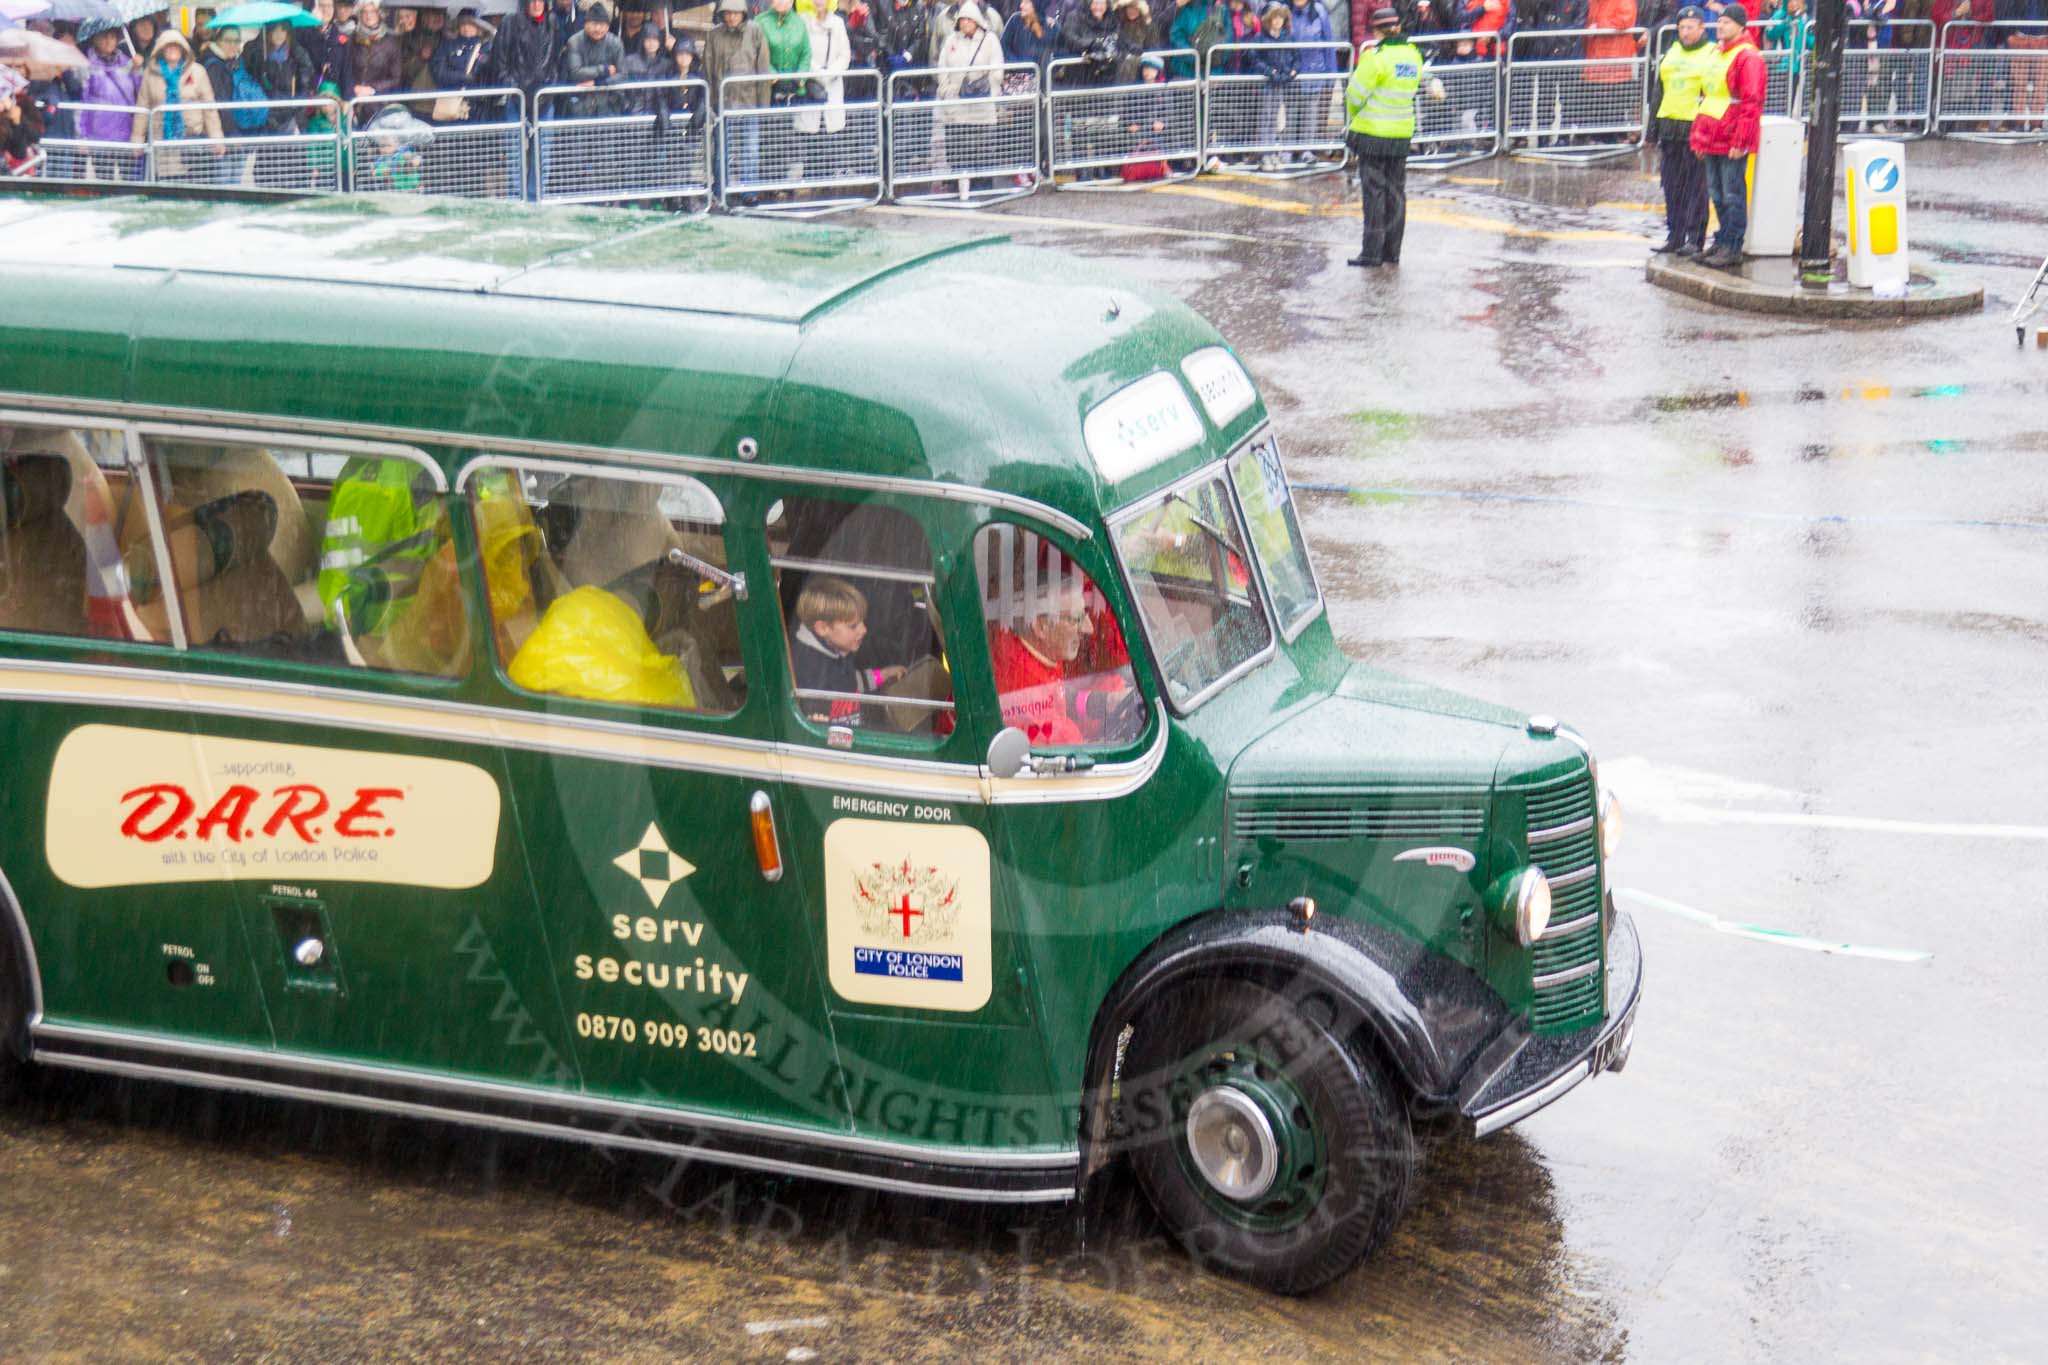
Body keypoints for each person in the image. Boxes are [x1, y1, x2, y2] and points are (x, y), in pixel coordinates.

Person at [985, 545, 1139, 749]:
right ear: (1040, 626)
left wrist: (1105, 701)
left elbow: (1058, 692)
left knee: (1114, 684)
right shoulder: (1031, 706)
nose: (1089, 629)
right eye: (1076, 619)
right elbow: (1077, 753)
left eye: (1084, 614)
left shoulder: (1021, 644)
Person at [1344, 6, 1427, 268]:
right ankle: (1392, 251)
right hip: (1401, 133)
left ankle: (1371, 252)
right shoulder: (1413, 55)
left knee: (1374, 195)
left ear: (1377, 31)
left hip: (1373, 133)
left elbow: (1354, 95)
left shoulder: (1375, 57)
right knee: (1396, 193)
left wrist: (1356, 114)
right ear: (1398, 28)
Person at [1689, 2, 1763, 268]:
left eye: (1727, 22)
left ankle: (1733, 245)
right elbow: (1707, 97)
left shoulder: (1748, 57)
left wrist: (1741, 140)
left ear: (1741, 26)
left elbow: (1751, 102)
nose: (1720, 26)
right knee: (1718, 194)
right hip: (1713, 134)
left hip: (1730, 136)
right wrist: (1699, 137)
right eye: (1719, 21)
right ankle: (1722, 241)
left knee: (1732, 194)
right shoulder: (1719, 53)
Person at [788, 576, 908, 726]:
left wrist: (882, 675)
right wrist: (817, 722)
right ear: (823, 628)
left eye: (862, 622)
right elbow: (808, 722)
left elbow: (848, 680)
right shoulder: (808, 670)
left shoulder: (836, 648)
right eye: (853, 626)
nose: (864, 630)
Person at [1651, 4, 1713, 256]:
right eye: (1681, 28)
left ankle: (1695, 238)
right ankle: (1674, 235)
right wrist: (1651, 130)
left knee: (1696, 188)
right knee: (1672, 185)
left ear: (1701, 27)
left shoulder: (1710, 53)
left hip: (1694, 128)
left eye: (1690, 27)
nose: (1685, 32)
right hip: (1669, 127)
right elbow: (1659, 90)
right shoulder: (1672, 51)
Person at [132, 30, 226, 183]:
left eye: (176, 46)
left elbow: (209, 109)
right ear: (161, 49)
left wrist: (217, 138)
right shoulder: (150, 74)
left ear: (183, 49)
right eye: (168, 46)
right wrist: (137, 140)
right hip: (161, 144)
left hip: (192, 144)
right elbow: (142, 109)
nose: (172, 50)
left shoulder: (198, 72)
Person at [704, 0, 771, 194]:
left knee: (750, 150)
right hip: (723, 103)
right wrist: (711, 103)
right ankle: (720, 190)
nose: (732, 17)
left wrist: (763, 105)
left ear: (743, 14)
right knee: (721, 152)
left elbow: (763, 68)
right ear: (723, 14)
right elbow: (708, 70)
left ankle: (749, 192)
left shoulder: (755, 31)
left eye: (736, 13)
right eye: (728, 13)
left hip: (749, 101)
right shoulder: (713, 35)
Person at [936, 0, 1002, 193]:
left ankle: (983, 183)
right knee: (958, 145)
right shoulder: (951, 41)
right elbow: (942, 67)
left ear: (976, 20)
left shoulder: (989, 40)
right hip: (957, 103)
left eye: (968, 19)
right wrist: (946, 90)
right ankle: (959, 181)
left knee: (982, 146)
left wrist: (991, 91)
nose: (964, 23)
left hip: (982, 104)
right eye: (962, 19)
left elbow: (997, 69)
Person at [77, 23, 141, 174]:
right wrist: (82, 136)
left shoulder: (128, 63)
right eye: (103, 36)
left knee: (129, 179)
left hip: (125, 134)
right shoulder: (86, 65)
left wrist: (138, 72)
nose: (108, 40)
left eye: (112, 37)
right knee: (104, 179)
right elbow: (82, 103)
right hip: (99, 135)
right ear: (95, 39)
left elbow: (139, 94)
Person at [1249, 2, 1297, 169]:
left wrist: (1293, 70)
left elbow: (1296, 56)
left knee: (1276, 119)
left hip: (1282, 83)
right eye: (1274, 17)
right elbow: (1254, 59)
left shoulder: (1288, 37)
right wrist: (1271, 72)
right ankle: (1265, 153)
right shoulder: (1260, 38)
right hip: (1267, 84)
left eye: (1280, 17)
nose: (1278, 21)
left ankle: (1273, 151)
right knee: (1266, 118)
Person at [560, 1, 625, 115]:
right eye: (594, 24)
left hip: (609, 102)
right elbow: (576, 72)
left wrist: (599, 83)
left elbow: (623, 74)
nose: (598, 29)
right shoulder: (575, 41)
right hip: (581, 101)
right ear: (586, 24)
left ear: (608, 26)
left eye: (602, 25)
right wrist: (604, 69)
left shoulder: (616, 42)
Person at [350, 0, 403, 97]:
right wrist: (353, 87)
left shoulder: (391, 43)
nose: (368, 16)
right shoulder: (352, 39)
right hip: (353, 98)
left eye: (373, 11)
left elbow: (395, 78)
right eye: (364, 12)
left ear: (379, 14)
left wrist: (372, 89)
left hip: (378, 101)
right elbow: (344, 70)